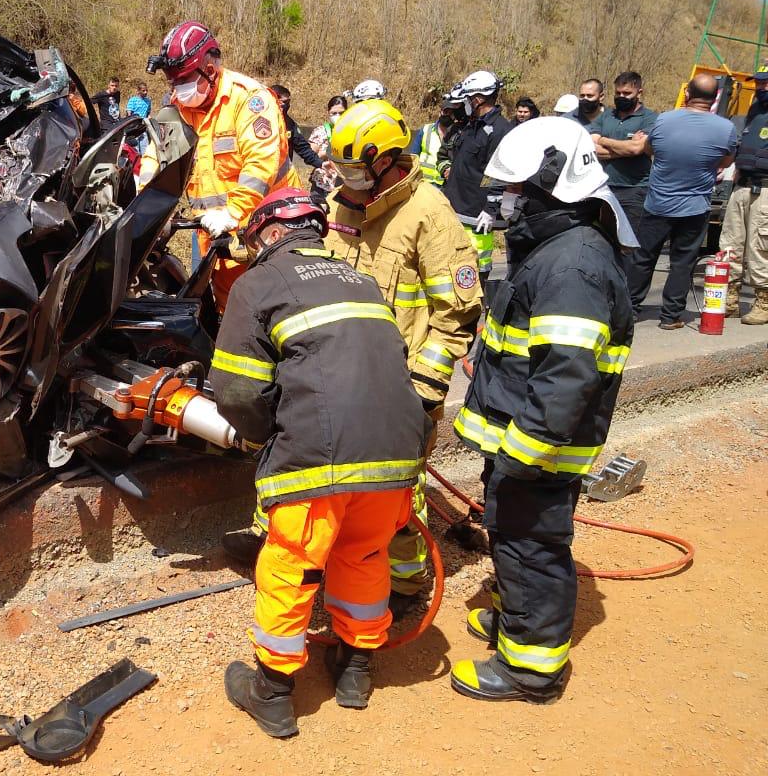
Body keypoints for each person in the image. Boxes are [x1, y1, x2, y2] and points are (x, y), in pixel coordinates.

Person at [212, 188, 428, 735]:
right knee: (363, 555)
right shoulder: (363, 281)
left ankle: (273, 692)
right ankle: (355, 671)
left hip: (317, 460)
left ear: (269, 233)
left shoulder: (257, 284)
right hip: (396, 457)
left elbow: (237, 394)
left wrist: (268, 436)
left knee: (291, 564)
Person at [450, 115, 636, 704]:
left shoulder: (572, 266)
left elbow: (566, 377)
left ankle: (531, 669)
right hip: (523, 437)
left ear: (552, 188)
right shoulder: (557, 249)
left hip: (539, 446)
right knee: (511, 533)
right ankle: (516, 620)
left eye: (516, 191)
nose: (507, 202)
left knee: (531, 543)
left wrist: (524, 455)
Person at [323, 98, 482, 610]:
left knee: (395, 499)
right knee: (342, 489)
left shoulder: (429, 215)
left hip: (402, 390)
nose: (348, 183)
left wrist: (421, 392)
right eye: (342, 170)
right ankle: (350, 567)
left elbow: (455, 314)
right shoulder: (340, 205)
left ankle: (406, 585)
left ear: (389, 162)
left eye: (357, 171)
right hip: (343, 383)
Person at [146, 20, 299, 310]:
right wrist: (141, 204)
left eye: (183, 80)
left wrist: (232, 212)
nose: (177, 89)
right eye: (173, 82)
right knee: (230, 312)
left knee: (271, 310)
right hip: (216, 236)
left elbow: (260, 163)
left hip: (268, 232)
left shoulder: (250, 100)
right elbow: (157, 156)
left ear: (210, 70)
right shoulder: (179, 108)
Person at [625, 74, 737, 328]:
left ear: (687, 94)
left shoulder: (664, 120)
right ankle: (671, 316)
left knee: (643, 258)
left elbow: (651, 149)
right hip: (695, 207)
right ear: (714, 99)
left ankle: (629, 309)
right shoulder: (725, 129)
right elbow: (725, 162)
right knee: (682, 262)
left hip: (658, 203)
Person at [441, 70, 513, 284]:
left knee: (472, 276)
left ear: (478, 99)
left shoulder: (500, 131)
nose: (465, 104)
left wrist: (490, 210)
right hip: (455, 209)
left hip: (476, 217)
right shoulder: (472, 125)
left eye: (467, 99)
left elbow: (498, 173)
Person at [720, 65, 768, 323]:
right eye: (759, 83)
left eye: (766, 83)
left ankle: (764, 300)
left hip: (766, 190)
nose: (761, 88)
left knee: (761, 248)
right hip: (743, 185)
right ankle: (730, 298)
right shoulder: (755, 109)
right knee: (731, 243)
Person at [590, 71, 659, 237]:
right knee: (604, 238)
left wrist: (604, 140)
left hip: (634, 190)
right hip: (605, 187)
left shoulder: (649, 118)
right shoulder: (606, 115)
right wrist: (626, 149)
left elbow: (637, 149)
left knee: (630, 241)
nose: (622, 96)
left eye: (627, 93)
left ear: (639, 93)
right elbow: (591, 147)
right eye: (618, 93)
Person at [411, 94, 461, 187]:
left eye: (452, 113)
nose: (449, 115)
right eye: (446, 111)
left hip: (446, 186)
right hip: (423, 184)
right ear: (440, 112)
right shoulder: (425, 130)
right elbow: (413, 158)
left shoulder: (459, 134)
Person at [307, 94, 348, 202]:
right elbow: (310, 155)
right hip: (323, 181)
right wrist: (327, 152)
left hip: (345, 182)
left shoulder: (352, 131)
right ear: (328, 113)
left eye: (341, 113)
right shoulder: (321, 131)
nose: (337, 116)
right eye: (334, 113)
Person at [269, 84, 320, 171]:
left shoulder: (290, 124)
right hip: (259, 173)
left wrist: (321, 163)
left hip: (282, 175)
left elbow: (303, 148)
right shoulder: (255, 121)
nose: (284, 105)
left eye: (287, 102)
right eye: (281, 101)